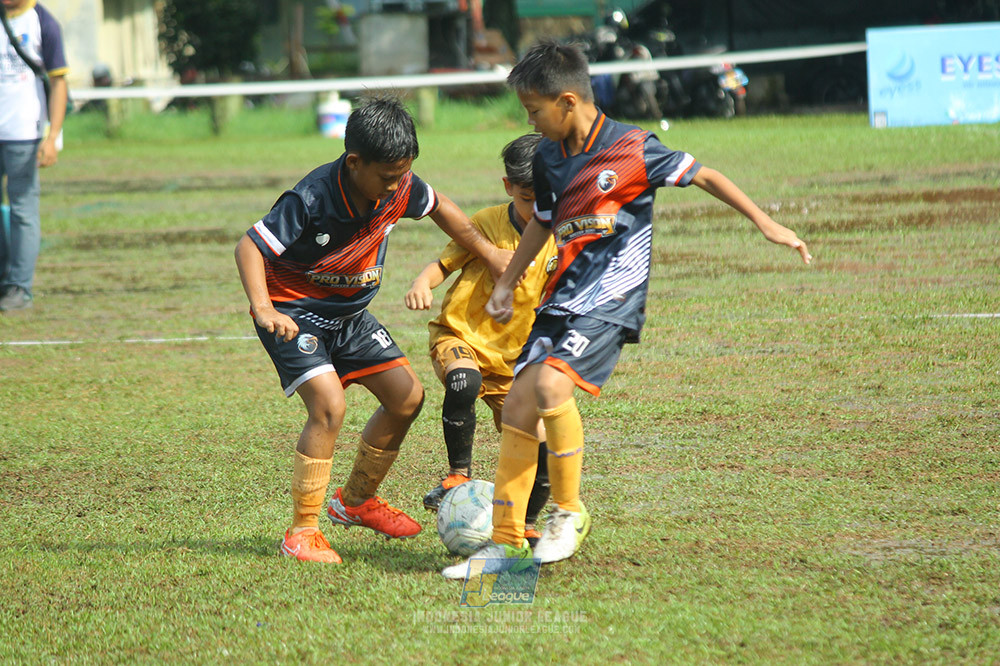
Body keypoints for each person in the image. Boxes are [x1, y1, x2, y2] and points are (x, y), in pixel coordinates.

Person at [442, 41, 811, 579]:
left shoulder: (633, 148)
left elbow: (703, 174)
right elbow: (544, 222)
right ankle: (505, 546)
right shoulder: (546, 159)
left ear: (567, 100)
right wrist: (511, 279)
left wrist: (765, 222)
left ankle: (568, 514)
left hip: (611, 297)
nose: (529, 120)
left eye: (533, 110)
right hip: (560, 298)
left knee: (548, 390)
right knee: (520, 406)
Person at [235, 96, 511, 564]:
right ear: (354, 161)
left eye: (403, 174)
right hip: (295, 313)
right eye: (387, 177)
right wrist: (263, 308)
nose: (396, 185)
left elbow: (441, 207)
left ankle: (357, 500)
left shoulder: (399, 185)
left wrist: (489, 254)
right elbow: (250, 246)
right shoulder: (312, 198)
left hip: (350, 317)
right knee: (328, 406)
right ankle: (302, 531)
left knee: (407, 398)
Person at [404, 133, 557, 546]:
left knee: (542, 446)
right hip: (461, 337)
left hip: (516, 361)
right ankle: (458, 473)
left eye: (547, 197)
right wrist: (423, 281)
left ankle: (524, 521)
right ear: (509, 187)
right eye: (527, 198)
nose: (537, 208)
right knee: (463, 383)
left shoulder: (561, 234)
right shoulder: (488, 223)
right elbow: (443, 263)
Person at [0, 0, 68, 311]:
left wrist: (52, 136)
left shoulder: (43, 22)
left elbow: (58, 81)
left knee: (22, 209)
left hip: (24, 133)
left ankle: (19, 288)